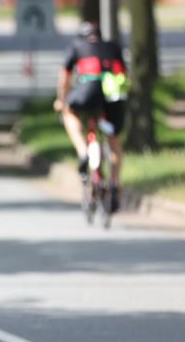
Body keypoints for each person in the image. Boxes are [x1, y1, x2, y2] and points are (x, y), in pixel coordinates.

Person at [54, 21, 129, 210]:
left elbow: (64, 78)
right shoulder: (113, 47)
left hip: (87, 92)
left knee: (69, 112)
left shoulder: (76, 46)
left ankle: (83, 152)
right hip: (113, 95)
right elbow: (125, 74)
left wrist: (61, 100)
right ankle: (114, 185)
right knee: (114, 141)